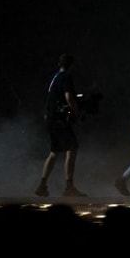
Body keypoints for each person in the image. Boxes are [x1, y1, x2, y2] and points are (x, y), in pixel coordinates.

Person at [35, 53, 86, 197]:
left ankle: (42, 185)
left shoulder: (55, 78)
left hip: (51, 119)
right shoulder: (67, 77)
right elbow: (69, 97)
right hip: (60, 120)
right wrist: (76, 112)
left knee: (54, 153)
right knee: (72, 149)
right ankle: (69, 187)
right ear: (72, 65)